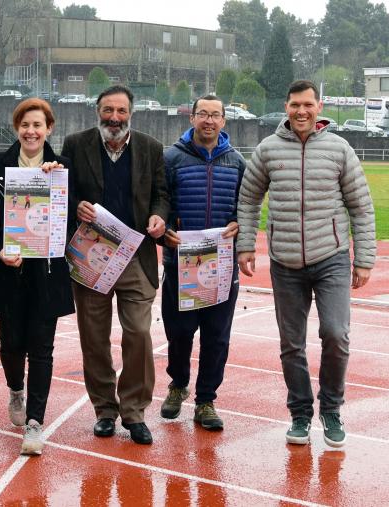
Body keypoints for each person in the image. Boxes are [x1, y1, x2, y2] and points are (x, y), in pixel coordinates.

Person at [237, 80, 375, 448]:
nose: (302, 111)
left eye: (308, 104)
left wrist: (364, 259)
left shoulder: (339, 149)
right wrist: (246, 246)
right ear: (286, 106)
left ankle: (331, 408)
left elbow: (361, 207)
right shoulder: (267, 150)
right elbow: (248, 200)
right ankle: (300, 413)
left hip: (330, 258)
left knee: (336, 334)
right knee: (291, 344)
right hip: (284, 262)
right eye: (295, 104)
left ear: (319, 107)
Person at [61, 85, 169, 445]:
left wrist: (158, 216)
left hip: (135, 257)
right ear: (97, 111)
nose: (114, 118)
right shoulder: (76, 144)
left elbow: (161, 194)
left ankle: (134, 411)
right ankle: (105, 410)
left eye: (121, 111)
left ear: (131, 114)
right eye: (108, 110)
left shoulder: (151, 148)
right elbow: (63, 191)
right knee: (94, 338)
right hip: (92, 254)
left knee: (138, 333)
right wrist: (76, 205)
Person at [0, 98, 75, 455]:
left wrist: (57, 186)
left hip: (46, 272)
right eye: (25, 125)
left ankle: (35, 422)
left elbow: (70, 219)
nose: (31, 131)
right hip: (9, 268)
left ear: (49, 129)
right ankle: (16, 389)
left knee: (43, 349)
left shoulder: (62, 167)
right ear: (17, 128)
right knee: (11, 345)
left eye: (38, 125)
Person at [159, 94, 246, 431]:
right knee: (179, 333)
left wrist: (241, 222)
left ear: (224, 121)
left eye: (216, 115)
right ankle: (178, 384)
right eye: (203, 114)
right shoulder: (171, 158)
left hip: (222, 265)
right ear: (192, 117)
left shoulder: (237, 162)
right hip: (181, 262)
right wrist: (163, 231)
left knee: (217, 336)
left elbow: (248, 205)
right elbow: (159, 201)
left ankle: (206, 400)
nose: (209, 121)